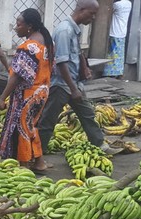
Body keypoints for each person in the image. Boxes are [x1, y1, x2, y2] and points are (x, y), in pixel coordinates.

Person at [38, 0, 107, 156]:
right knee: (48, 120)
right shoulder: (64, 30)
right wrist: (73, 89)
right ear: (82, 10)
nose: (94, 17)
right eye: (92, 13)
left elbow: (77, 53)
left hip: (73, 82)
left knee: (87, 114)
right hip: (61, 84)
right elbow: (61, 62)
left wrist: (84, 68)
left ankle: (100, 144)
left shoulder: (74, 30)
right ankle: (37, 155)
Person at [0, 9, 54, 172]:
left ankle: (24, 165)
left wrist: (2, 98)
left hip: (27, 94)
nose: (15, 27)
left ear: (29, 26)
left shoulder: (28, 47)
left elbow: (17, 76)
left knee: (22, 128)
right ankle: (39, 162)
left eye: (19, 24)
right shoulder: (46, 43)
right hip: (41, 92)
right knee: (31, 126)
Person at [103, 0, 132, 79]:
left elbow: (107, 11)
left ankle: (110, 72)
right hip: (122, 32)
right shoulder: (129, 3)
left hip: (114, 31)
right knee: (119, 54)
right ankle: (119, 72)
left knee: (112, 53)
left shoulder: (117, 5)